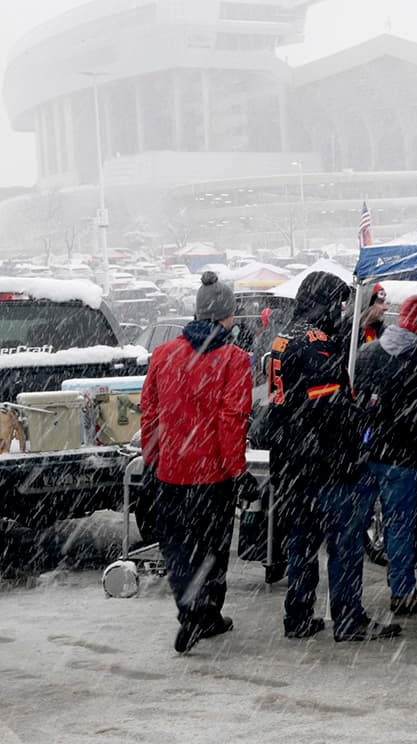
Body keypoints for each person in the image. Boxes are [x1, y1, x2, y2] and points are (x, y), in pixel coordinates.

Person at [266, 270, 403, 643]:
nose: (341, 307)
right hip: (326, 462)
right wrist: (364, 418)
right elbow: (330, 407)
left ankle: (297, 615)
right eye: (339, 302)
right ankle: (347, 619)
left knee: (301, 544)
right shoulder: (316, 344)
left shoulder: (284, 337)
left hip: (292, 462)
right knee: (344, 545)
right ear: (326, 301)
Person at [141, 271, 251, 653]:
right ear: (225, 316)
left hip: (170, 472)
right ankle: (207, 613)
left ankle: (189, 608)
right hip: (213, 476)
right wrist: (237, 470)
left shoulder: (163, 355)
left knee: (177, 547)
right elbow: (231, 420)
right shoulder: (234, 359)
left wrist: (150, 460)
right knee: (213, 549)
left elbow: (149, 414)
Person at [355, 295, 417, 616]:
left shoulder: (369, 350)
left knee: (357, 525)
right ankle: (402, 592)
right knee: (400, 525)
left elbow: (358, 400)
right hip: (400, 456)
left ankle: (348, 594)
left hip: (365, 451)